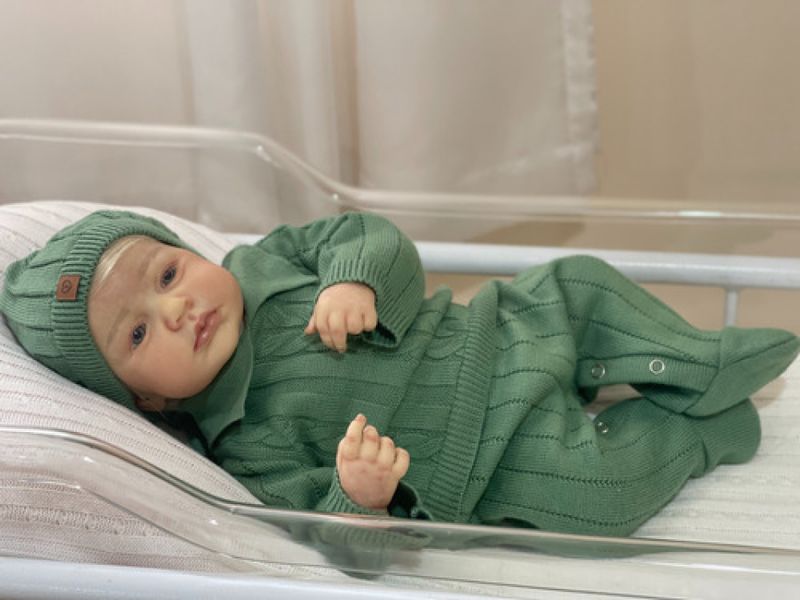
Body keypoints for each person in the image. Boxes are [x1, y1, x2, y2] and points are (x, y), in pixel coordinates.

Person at [1, 209, 798, 538]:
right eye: (139, 331)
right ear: (141, 398)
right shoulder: (241, 442)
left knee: (579, 281)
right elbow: (323, 529)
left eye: (169, 274)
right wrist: (361, 495)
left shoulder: (265, 262)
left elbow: (366, 231)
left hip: (494, 328)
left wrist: (354, 279)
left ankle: (695, 360)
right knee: (598, 492)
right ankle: (699, 432)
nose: (177, 309)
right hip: (486, 458)